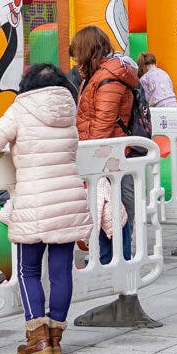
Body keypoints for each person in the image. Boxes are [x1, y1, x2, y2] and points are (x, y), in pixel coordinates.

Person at [0, 64, 92, 354]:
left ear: (26, 84)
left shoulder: (21, 108)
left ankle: (37, 339)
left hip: (35, 200)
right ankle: (55, 338)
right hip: (68, 199)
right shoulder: (67, 108)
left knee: (28, 269)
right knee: (60, 270)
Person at [71, 24, 137, 264]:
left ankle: (115, 257)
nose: (76, 59)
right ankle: (108, 256)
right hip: (103, 151)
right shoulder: (100, 75)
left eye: (78, 52)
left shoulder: (108, 77)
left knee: (113, 210)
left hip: (106, 153)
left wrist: (88, 155)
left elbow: (103, 121)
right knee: (105, 207)